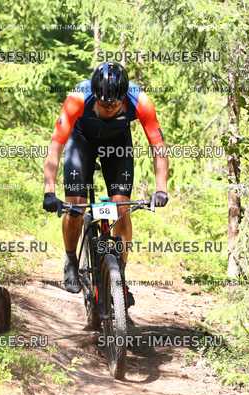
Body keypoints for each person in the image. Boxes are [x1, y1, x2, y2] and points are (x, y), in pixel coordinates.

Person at [42, 62, 169, 323]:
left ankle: (119, 273)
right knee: (75, 205)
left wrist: (161, 188)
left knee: (121, 206)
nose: (109, 109)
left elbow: (158, 147)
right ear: (95, 96)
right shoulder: (78, 99)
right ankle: (70, 260)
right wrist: (49, 191)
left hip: (118, 144)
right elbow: (56, 146)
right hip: (82, 142)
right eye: (103, 104)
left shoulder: (141, 102)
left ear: (124, 98)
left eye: (114, 105)